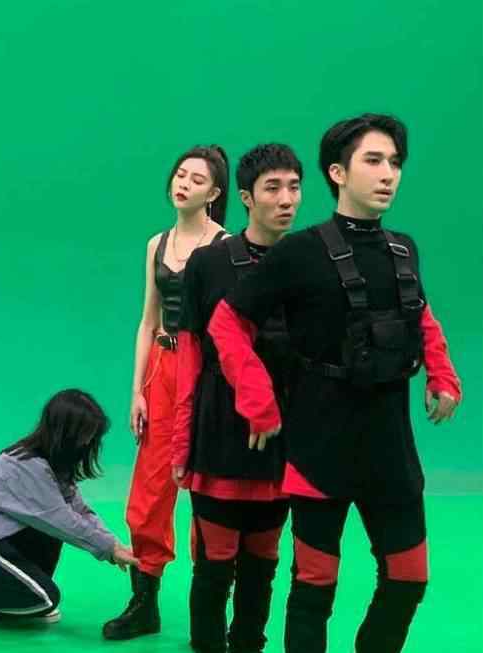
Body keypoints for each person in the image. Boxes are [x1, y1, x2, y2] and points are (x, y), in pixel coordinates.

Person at [207, 114, 462, 653]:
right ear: (338, 173)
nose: (388, 173)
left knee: (409, 578)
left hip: (391, 450)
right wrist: (258, 399)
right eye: (374, 160)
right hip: (318, 450)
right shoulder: (298, 252)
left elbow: (420, 314)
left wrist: (441, 374)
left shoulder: (403, 249)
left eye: (395, 162)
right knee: (314, 587)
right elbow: (227, 323)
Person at [172, 143, 303, 653]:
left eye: (294, 187)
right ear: (246, 198)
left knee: (262, 568)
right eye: (273, 188)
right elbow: (189, 359)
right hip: (218, 437)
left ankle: (249, 643)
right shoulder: (208, 264)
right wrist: (181, 445)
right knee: (213, 569)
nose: (286, 199)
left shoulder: (309, 263)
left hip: (282, 443)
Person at [102, 145, 229, 641]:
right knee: (150, 490)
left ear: (214, 193)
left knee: (207, 486)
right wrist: (137, 390)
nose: (184, 184)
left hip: (207, 373)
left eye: (196, 179)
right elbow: (147, 320)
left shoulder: (226, 247)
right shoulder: (157, 244)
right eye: (180, 175)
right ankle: (144, 602)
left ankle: (209, 606)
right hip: (161, 368)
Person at [0, 388, 138, 630]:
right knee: (46, 599)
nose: (88, 442)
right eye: (85, 434)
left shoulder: (53, 464)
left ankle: (18, 597)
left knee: (47, 548)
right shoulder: (26, 466)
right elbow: (62, 519)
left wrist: (114, 545)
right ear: (64, 432)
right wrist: (108, 550)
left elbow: (79, 511)